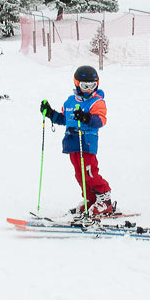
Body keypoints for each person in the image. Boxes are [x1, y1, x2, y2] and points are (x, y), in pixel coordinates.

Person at [40, 66, 114, 216]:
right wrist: (50, 113)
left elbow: (100, 120)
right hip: (72, 142)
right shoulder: (70, 102)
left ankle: (104, 200)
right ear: (77, 84)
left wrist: (86, 117)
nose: (88, 89)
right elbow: (64, 119)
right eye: (85, 86)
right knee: (79, 174)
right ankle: (91, 199)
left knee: (89, 173)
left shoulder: (97, 102)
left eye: (92, 86)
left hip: (86, 141)